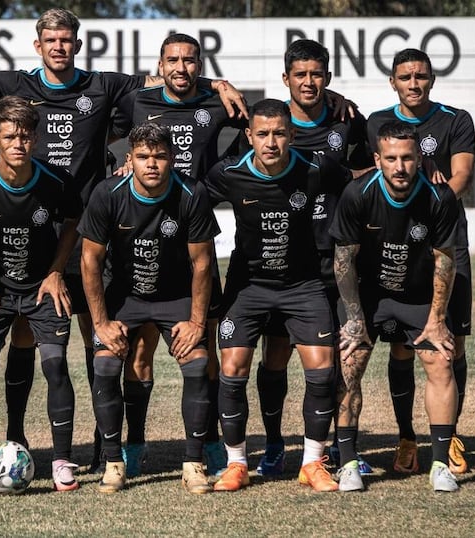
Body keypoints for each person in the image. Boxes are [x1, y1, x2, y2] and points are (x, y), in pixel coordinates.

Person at [0, 7, 247, 472]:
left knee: (102, 339)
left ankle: (105, 448)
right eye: (50, 41)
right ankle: (14, 435)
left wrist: (217, 84)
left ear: (77, 43)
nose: (59, 47)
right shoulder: (14, 83)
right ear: (39, 46)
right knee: (22, 339)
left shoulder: (104, 85)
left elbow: (170, 77)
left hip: (87, 233)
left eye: (67, 40)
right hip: (33, 239)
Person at [109, 33, 248, 477]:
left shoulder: (215, 102)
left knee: (201, 341)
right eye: (173, 60)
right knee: (140, 350)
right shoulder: (137, 100)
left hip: (193, 235)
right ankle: (133, 442)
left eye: (191, 61)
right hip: (144, 239)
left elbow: (246, 133)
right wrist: (123, 161)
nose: (182, 68)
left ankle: (206, 440)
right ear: (160, 63)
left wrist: (220, 84)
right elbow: (104, 135)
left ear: (200, 65)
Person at [204, 98, 349, 493]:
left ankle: (311, 463)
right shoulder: (229, 174)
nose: (271, 142)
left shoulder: (317, 169)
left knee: (322, 371)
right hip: (248, 286)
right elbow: (183, 195)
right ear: (249, 136)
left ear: (292, 135)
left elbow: (358, 184)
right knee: (232, 369)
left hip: (302, 285)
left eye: (280, 134)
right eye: (263, 134)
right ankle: (236, 464)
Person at [254, 38, 374, 477]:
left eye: (316, 74)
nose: (309, 82)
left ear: (327, 77)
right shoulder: (272, 125)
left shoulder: (348, 122)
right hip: (283, 261)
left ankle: (343, 447)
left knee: (342, 357)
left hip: (336, 260)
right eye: (300, 74)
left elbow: (364, 172)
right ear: (285, 78)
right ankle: (271, 445)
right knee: (276, 355)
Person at [0, 96, 82, 492]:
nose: (18, 144)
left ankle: (60, 460)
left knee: (55, 365)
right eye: (9, 136)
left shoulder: (56, 181)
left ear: (36, 140)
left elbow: (73, 222)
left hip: (43, 287)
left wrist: (57, 271)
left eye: (25, 136)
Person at [79, 122, 219, 494]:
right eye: (143, 157)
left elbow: (203, 263)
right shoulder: (107, 194)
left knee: (198, 362)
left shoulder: (192, 193)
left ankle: (193, 462)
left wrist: (196, 322)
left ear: (172, 159)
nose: (151, 164)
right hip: (126, 296)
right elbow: (90, 261)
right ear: (130, 160)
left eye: (159, 156)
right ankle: (114, 461)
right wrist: (101, 323)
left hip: (175, 296)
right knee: (106, 363)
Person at [331, 120, 460, 492]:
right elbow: (344, 262)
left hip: (417, 296)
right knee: (349, 362)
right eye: (391, 158)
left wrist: (436, 320)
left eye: (407, 158)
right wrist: (355, 319)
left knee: (440, 359)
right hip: (370, 296)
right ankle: (349, 463)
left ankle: (439, 464)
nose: (399, 167)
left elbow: (445, 261)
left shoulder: (439, 198)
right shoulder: (357, 194)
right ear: (377, 158)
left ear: (419, 158)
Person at [367, 48, 475, 476]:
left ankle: (448, 438)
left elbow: (462, 176)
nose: (414, 83)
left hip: (446, 239)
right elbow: (362, 172)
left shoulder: (455, 119)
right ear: (393, 81)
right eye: (405, 77)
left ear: (433, 79)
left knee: (451, 342)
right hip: (396, 245)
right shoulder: (375, 122)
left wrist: (429, 200)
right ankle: (406, 436)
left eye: (421, 76)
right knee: (401, 345)